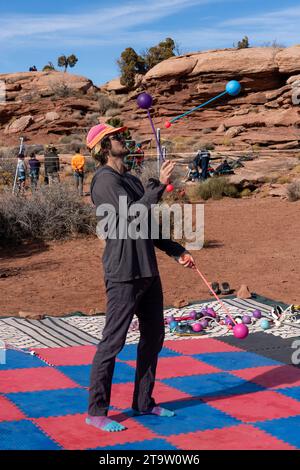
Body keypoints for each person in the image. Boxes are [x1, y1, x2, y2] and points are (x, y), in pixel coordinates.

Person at [85, 123, 195, 433]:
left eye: (121, 134)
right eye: (116, 136)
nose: (123, 139)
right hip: (123, 273)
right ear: (104, 147)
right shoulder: (104, 181)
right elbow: (131, 215)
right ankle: (96, 411)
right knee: (112, 343)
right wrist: (158, 185)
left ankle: (143, 402)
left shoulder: (130, 179)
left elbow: (146, 223)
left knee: (154, 338)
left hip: (147, 271)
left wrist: (176, 250)